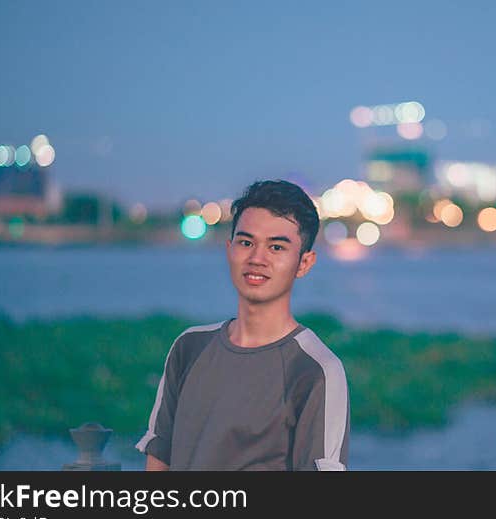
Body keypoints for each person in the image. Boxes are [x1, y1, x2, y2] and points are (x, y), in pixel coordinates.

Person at [135, 180, 350, 471]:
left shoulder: (316, 369)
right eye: (246, 243)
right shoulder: (189, 347)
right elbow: (159, 459)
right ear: (229, 248)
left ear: (304, 263)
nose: (257, 259)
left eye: (276, 247)